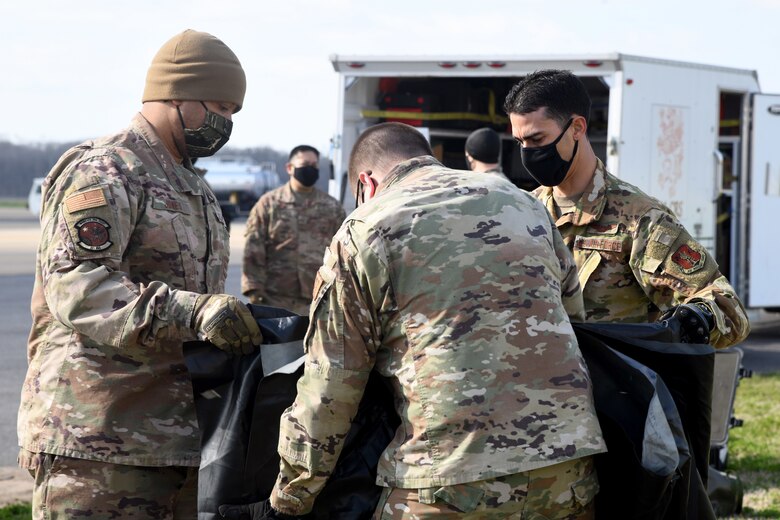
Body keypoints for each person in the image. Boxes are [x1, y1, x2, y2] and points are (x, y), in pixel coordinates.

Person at [231, 122, 606, 519]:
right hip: (569, 471)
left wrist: (290, 498)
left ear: (366, 183)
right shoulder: (525, 203)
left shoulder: (366, 228)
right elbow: (573, 321)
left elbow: (331, 386)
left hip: (450, 483)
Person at [17, 29, 262, 518]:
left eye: (234, 112)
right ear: (176, 94)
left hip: (171, 438)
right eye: (220, 107)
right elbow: (77, 285)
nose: (226, 123)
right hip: (97, 440)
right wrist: (194, 312)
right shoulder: (107, 170)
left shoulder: (191, 185)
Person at [503, 70, 750, 349]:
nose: (528, 153)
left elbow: (729, 310)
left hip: (607, 375)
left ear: (577, 128)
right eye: (520, 142)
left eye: (537, 140)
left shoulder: (639, 219)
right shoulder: (523, 213)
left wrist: (696, 318)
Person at [242, 145, 346, 315]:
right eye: (305, 164)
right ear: (290, 168)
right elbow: (253, 247)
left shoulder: (332, 207)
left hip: (319, 298)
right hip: (275, 297)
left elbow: (343, 251)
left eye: (314, 165)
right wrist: (253, 288)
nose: (310, 169)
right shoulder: (269, 204)